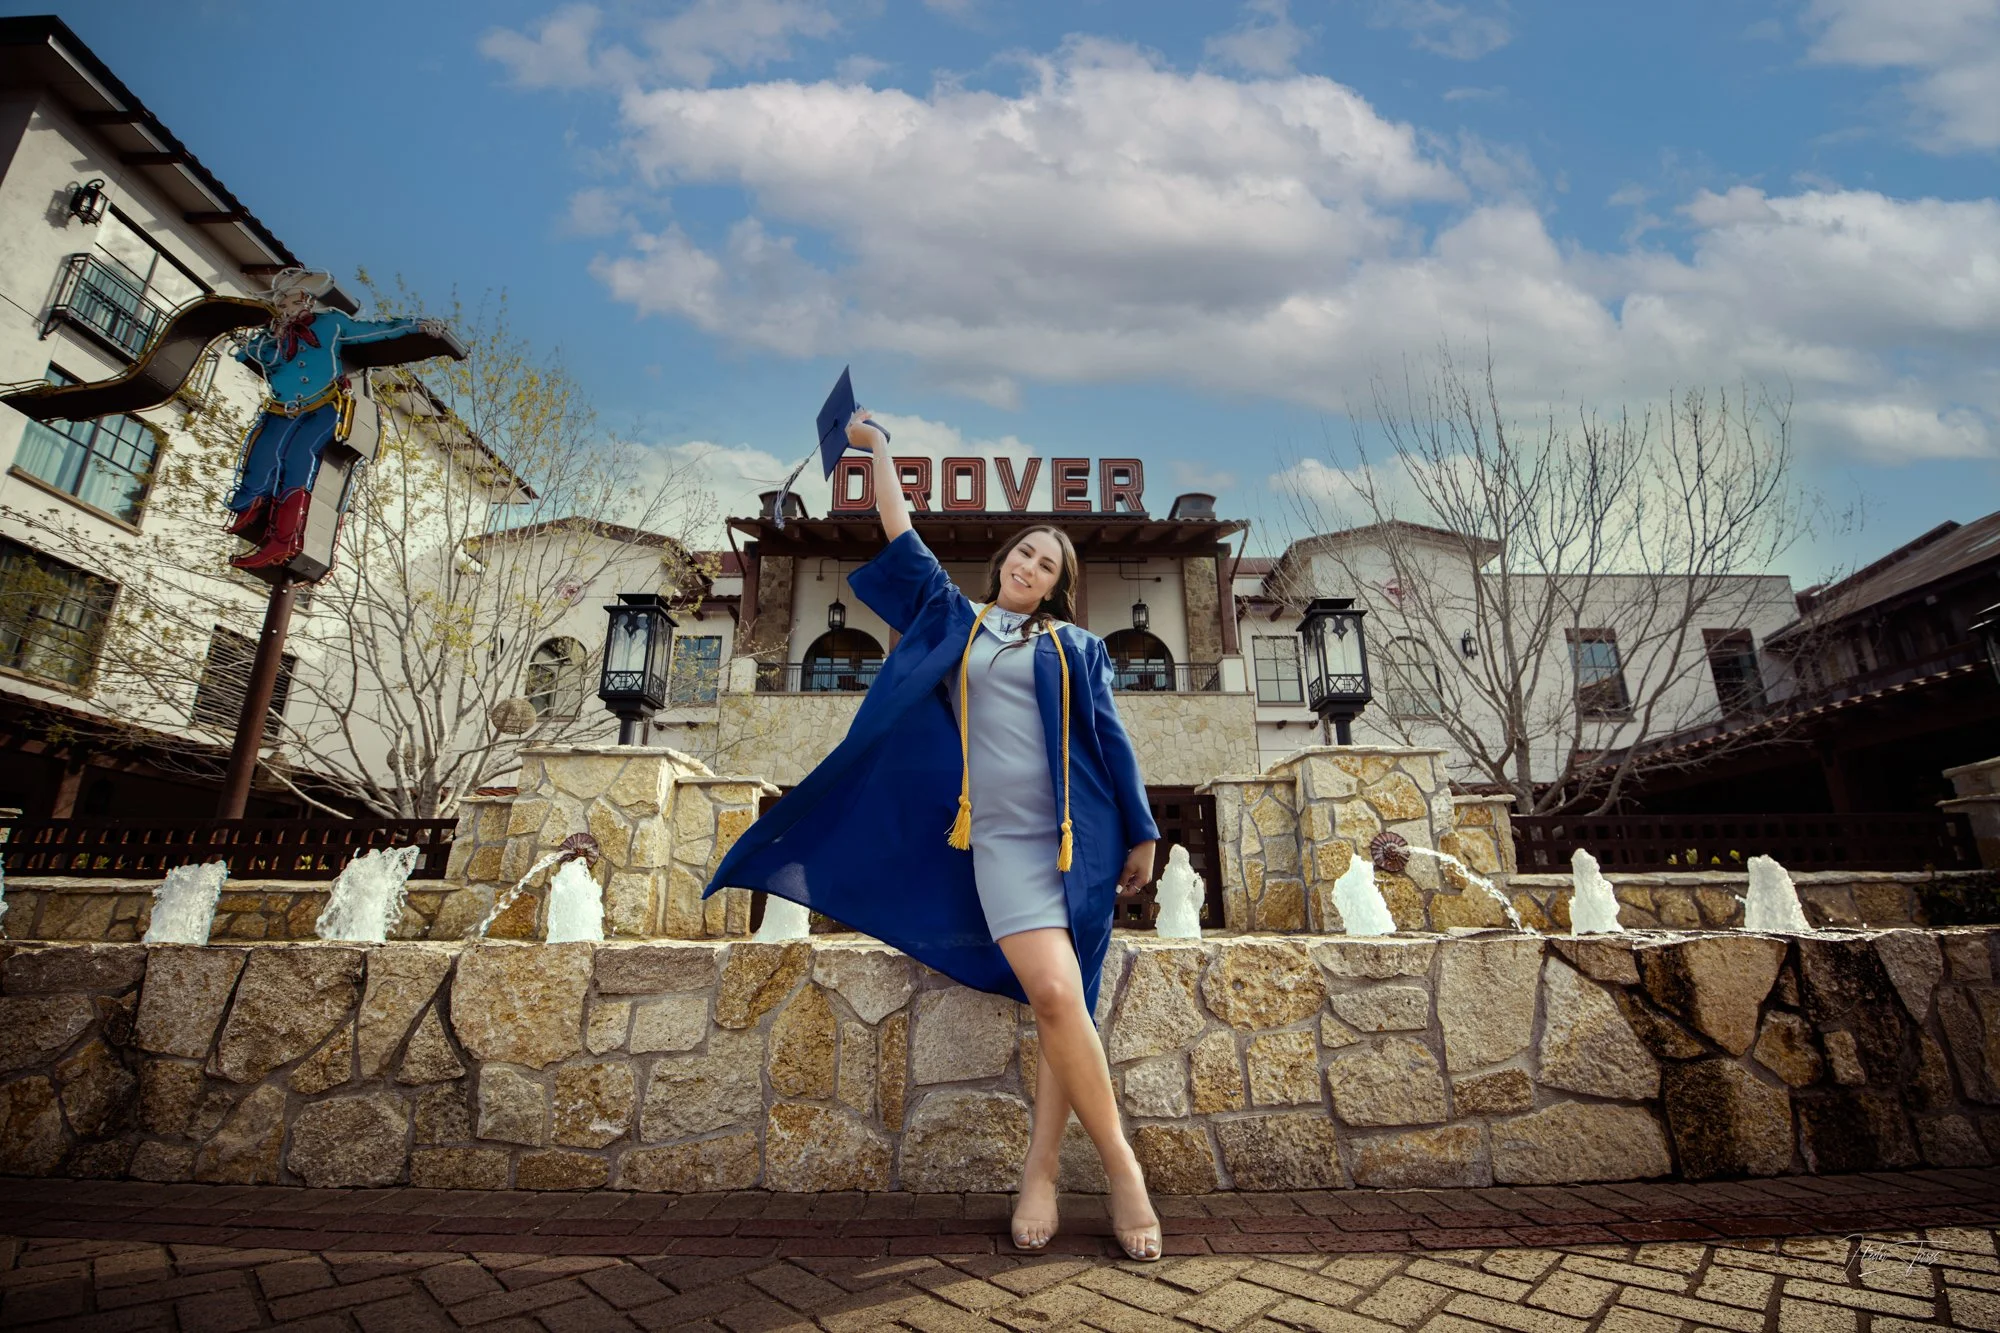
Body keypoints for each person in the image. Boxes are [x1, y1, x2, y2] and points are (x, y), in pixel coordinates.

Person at [702, 408, 1163, 1261]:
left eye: (1048, 562)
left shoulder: (1075, 645)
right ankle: (1121, 1164)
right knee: (1061, 997)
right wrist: (876, 451)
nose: (1031, 565)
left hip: (1077, 843)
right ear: (1004, 562)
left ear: (1061, 584)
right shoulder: (957, 621)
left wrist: (1142, 833)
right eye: (1024, 551)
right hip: (998, 845)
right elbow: (898, 525)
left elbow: (1113, 738)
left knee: (1068, 999)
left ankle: (1042, 1173)